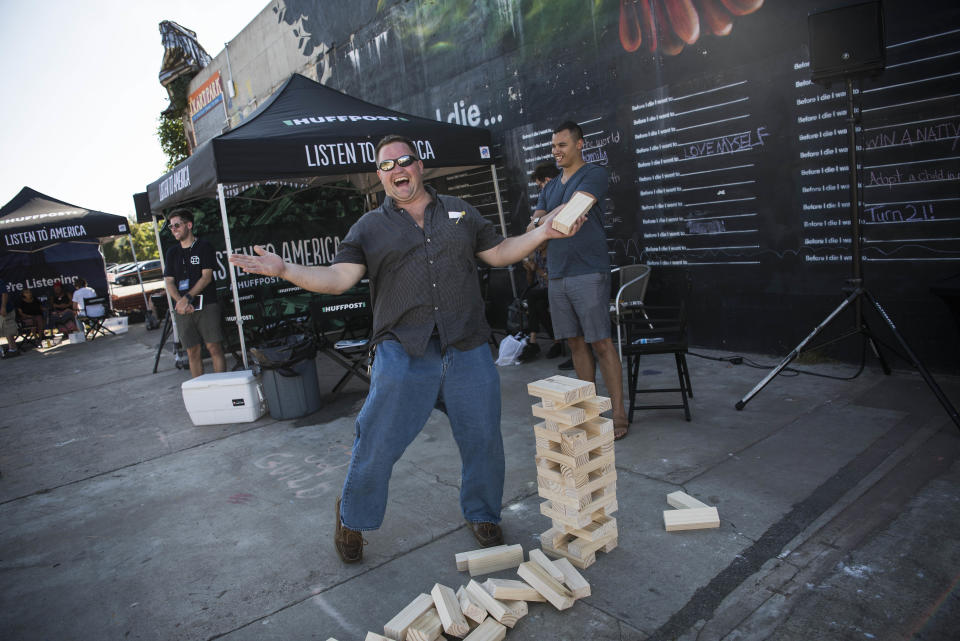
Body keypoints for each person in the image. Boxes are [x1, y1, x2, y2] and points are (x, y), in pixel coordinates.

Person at [229, 134, 583, 564]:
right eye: (387, 165)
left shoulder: (460, 211)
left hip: (466, 344)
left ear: (420, 165)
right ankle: (353, 517)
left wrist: (544, 231)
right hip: (404, 350)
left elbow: (500, 252)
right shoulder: (369, 228)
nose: (398, 168)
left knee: (483, 440)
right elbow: (338, 278)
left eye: (405, 160)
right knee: (376, 441)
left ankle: (483, 512)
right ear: (380, 177)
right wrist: (286, 269)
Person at [531, 120, 631, 440]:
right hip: (557, 273)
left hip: (588, 269)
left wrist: (545, 220)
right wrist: (547, 219)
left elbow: (573, 211)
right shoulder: (549, 186)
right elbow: (535, 226)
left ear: (579, 144)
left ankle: (617, 414)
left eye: (562, 145)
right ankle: (590, 411)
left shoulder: (594, 174)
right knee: (574, 343)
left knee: (600, 341)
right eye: (553, 146)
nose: (555, 151)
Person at [163, 208, 226, 378]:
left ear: (189, 225)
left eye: (177, 225)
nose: (174, 229)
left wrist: (188, 298)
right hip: (183, 309)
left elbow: (206, 277)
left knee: (214, 347)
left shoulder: (204, 246)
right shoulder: (172, 252)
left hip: (206, 304)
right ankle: (200, 391)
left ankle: (222, 387)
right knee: (192, 351)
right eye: (171, 226)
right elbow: (169, 281)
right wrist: (180, 301)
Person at [0, 278, 20, 357]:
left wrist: (3, 307)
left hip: (5, 310)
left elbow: (4, 293)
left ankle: (13, 349)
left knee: (8, 329)